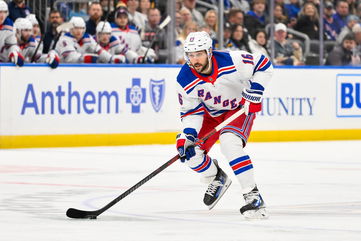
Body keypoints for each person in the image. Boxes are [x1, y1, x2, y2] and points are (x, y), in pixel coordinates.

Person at [175, 31, 272, 219]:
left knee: (229, 143)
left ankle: (253, 196)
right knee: (190, 154)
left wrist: (257, 89)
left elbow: (264, 65)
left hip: (237, 110)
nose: (195, 59)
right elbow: (191, 112)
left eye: (199, 54)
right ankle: (217, 177)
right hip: (210, 115)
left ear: (209, 51)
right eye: (191, 55)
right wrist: (188, 135)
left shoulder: (233, 60)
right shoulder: (185, 78)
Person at [55, 16, 122, 64]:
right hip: (64, 70)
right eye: (76, 28)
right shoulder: (65, 39)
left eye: (81, 28)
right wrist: (86, 58)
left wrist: (111, 59)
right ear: (71, 28)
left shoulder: (88, 38)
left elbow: (99, 50)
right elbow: (70, 58)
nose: (79, 31)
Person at [0, 0, 23, 66]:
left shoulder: (9, 25)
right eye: (0, 12)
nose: (2, 15)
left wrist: (14, 52)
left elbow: (11, 45)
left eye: (5, 12)